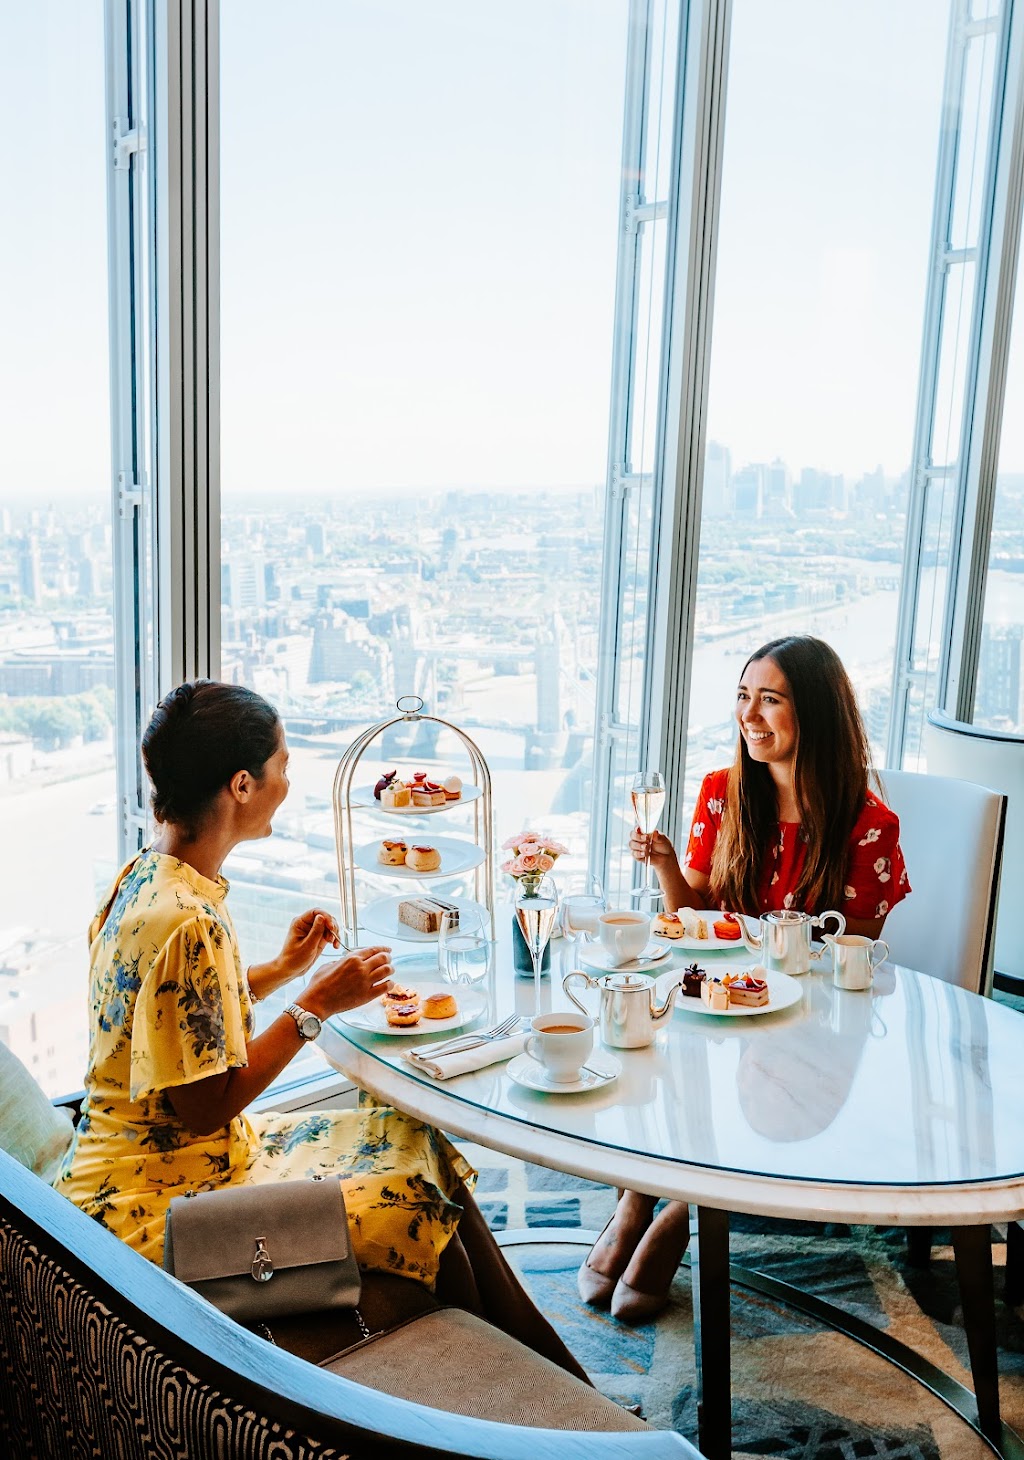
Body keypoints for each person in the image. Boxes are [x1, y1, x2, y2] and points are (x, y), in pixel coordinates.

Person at [58, 680, 586, 1377]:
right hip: (163, 1201)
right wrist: (313, 1007)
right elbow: (204, 1105)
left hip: (138, 1169)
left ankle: (542, 1373)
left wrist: (281, 970)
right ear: (242, 785)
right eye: (281, 765)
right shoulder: (189, 919)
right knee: (415, 1193)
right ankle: (529, 1387)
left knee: (415, 1143)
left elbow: (171, 1022)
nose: (287, 782)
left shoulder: (146, 877)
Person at [579, 635, 910, 1323]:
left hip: (810, 1024)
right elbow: (693, 918)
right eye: (742, 696)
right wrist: (666, 865)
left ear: (813, 713)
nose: (749, 716)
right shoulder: (721, 794)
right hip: (717, 1001)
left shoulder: (868, 825)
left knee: (744, 1085)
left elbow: (852, 955)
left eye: (770, 700)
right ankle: (639, 1194)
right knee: (647, 1052)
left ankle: (677, 1207)